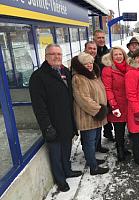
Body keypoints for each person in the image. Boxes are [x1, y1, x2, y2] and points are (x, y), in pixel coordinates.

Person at [29, 44, 82, 192]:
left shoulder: (65, 71)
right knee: (56, 155)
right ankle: (60, 180)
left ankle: (67, 170)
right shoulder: (38, 77)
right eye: (52, 54)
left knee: (66, 150)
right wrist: (47, 127)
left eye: (59, 54)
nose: (56, 57)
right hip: (52, 124)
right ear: (46, 56)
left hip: (67, 122)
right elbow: (39, 107)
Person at [71, 52, 109, 175]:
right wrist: (99, 110)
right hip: (88, 117)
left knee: (95, 140)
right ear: (81, 65)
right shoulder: (79, 78)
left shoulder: (93, 75)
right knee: (89, 142)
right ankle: (94, 168)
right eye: (86, 63)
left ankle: (91, 160)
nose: (89, 65)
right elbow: (83, 99)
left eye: (91, 62)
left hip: (97, 116)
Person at [101, 47, 131, 161]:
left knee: (127, 129)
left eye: (120, 54)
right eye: (115, 55)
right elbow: (108, 89)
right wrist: (113, 105)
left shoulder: (128, 67)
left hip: (128, 104)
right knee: (119, 130)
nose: (118, 57)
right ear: (111, 57)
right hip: (117, 105)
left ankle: (123, 148)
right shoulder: (108, 70)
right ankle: (120, 150)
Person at [93, 29, 114, 144]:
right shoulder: (91, 53)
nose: (101, 40)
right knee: (98, 111)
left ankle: (108, 131)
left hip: (107, 85)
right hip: (95, 87)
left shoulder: (108, 52)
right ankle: (97, 141)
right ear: (94, 39)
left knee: (108, 109)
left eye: (102, 38)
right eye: (98, 38)